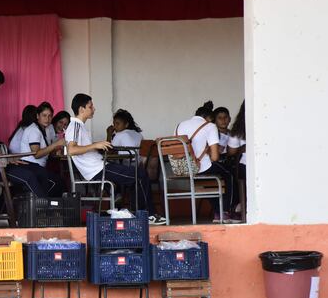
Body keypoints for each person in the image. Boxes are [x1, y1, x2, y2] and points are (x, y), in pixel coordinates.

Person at [67, 93, 166, 225]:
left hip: (101, 165)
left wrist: (97, 147)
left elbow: (82, 148)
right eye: (91, 106)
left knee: (137, 176)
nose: (94, 109)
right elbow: (71, 150)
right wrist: (95, 145)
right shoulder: (75, 126)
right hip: (97, 170)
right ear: (81, 109)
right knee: (140, 174)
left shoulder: (81, 127)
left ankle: (139, 215)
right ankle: (148, 215)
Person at [175, 101, 239, 223]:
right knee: (228, 174)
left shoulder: (179, 125)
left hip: (181, 168)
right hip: (199, 168)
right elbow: (215, 157)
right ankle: (225, 211)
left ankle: (217, 212)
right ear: (209, 118)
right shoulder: (210, 126)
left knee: (209, 178)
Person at [17, 102, 66, 197]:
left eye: (50, 116)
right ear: (37, 116)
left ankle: (51, 207)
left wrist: (57, 148)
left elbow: (47, 151)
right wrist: (56, 144)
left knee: (59, 181)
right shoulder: (33, 130)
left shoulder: (45, 129)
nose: (47, 119)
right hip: (29, 166)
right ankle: (45, 206)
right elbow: (37, 154)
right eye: (44, 115)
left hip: (37, 167)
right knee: (57, 183)